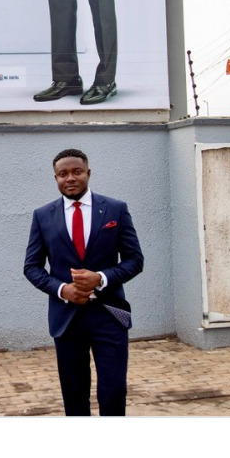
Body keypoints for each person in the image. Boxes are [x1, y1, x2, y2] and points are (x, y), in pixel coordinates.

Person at [23, 148, 143, 416]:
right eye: (62, 174)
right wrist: (62, 289)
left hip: (109, 314)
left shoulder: (115, 209)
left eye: (76, 172)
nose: (70, 178)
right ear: (55, 178)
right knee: (74, 394)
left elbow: (135, 260)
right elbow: (31, 267)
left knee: (113, 391)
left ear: (88, 173)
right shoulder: (43, 216)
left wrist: (101, 278)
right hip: (66, 319)